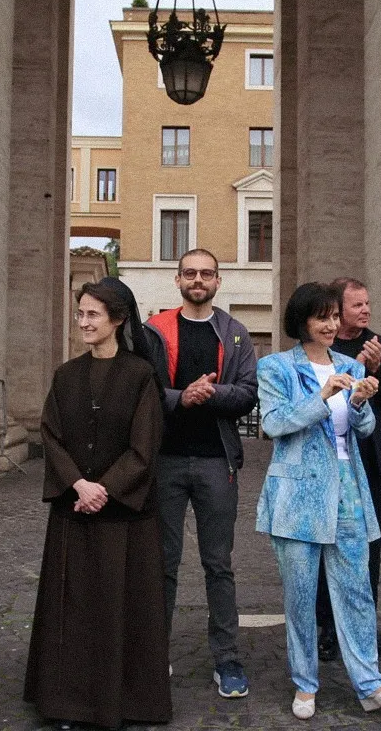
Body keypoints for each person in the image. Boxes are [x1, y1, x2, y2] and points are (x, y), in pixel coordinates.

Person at [25, 277, 170, 729]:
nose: (84, 322)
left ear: (118, 320)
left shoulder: (140, 375)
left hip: (124, 517)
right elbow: (51, 435)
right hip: (74, 511)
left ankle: (124, 703)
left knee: (120, 606)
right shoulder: (65, 375)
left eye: (93, 315)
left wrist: (103, 488)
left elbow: (145, 446)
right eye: (81, 313)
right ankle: (68, 703)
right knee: (73, 608)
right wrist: (78, 486)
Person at [256, 281, 381, 720]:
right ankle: (305, 684)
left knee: (357, 589)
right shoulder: (276, 367)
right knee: (301, 595)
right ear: (302, 320)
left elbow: (361, 430)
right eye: (322, 317)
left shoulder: (350, 365)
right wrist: (322, 396)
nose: (331, 324)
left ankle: (370, 683)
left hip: (347, 487)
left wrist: (359, 403)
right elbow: (275, 423)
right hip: (298, 492)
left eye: (334, 317)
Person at [143, 248, 257, 697]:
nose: (198, 280)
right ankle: (153, 655)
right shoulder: (155, 330)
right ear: (177, 280)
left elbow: (249, 394)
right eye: (190, 273)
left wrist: (208, 395)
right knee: (162, 564)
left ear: (217, 281)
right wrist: (179, 398)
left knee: (219, 564)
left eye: (206, 274)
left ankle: (227, 659)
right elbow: (144, 390)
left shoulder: (235, 334)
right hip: (165, 460)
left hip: (216, 460)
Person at [316, 277, 381, 662]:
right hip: (328, 461)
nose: (365, 311)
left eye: (367, 304)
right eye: (357, 305)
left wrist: (378, 368)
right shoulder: (322, 345)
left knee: (368, 549)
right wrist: (357, 368)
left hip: (370, 461)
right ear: (338, 310)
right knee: (326, 543)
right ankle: (327, 626)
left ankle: (364, 625)